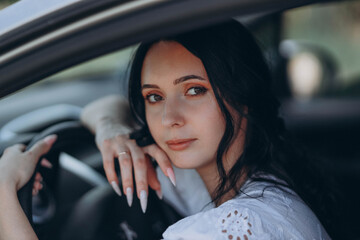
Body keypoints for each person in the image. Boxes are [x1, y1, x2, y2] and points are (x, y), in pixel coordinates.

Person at [0, 20, 337, 239]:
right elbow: (103, 108)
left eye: (194, 90)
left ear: (242, 94)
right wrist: (113, 133)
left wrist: (4, 192)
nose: (168, 118)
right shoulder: (255, 179)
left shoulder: (228, 228)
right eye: (154, 96)